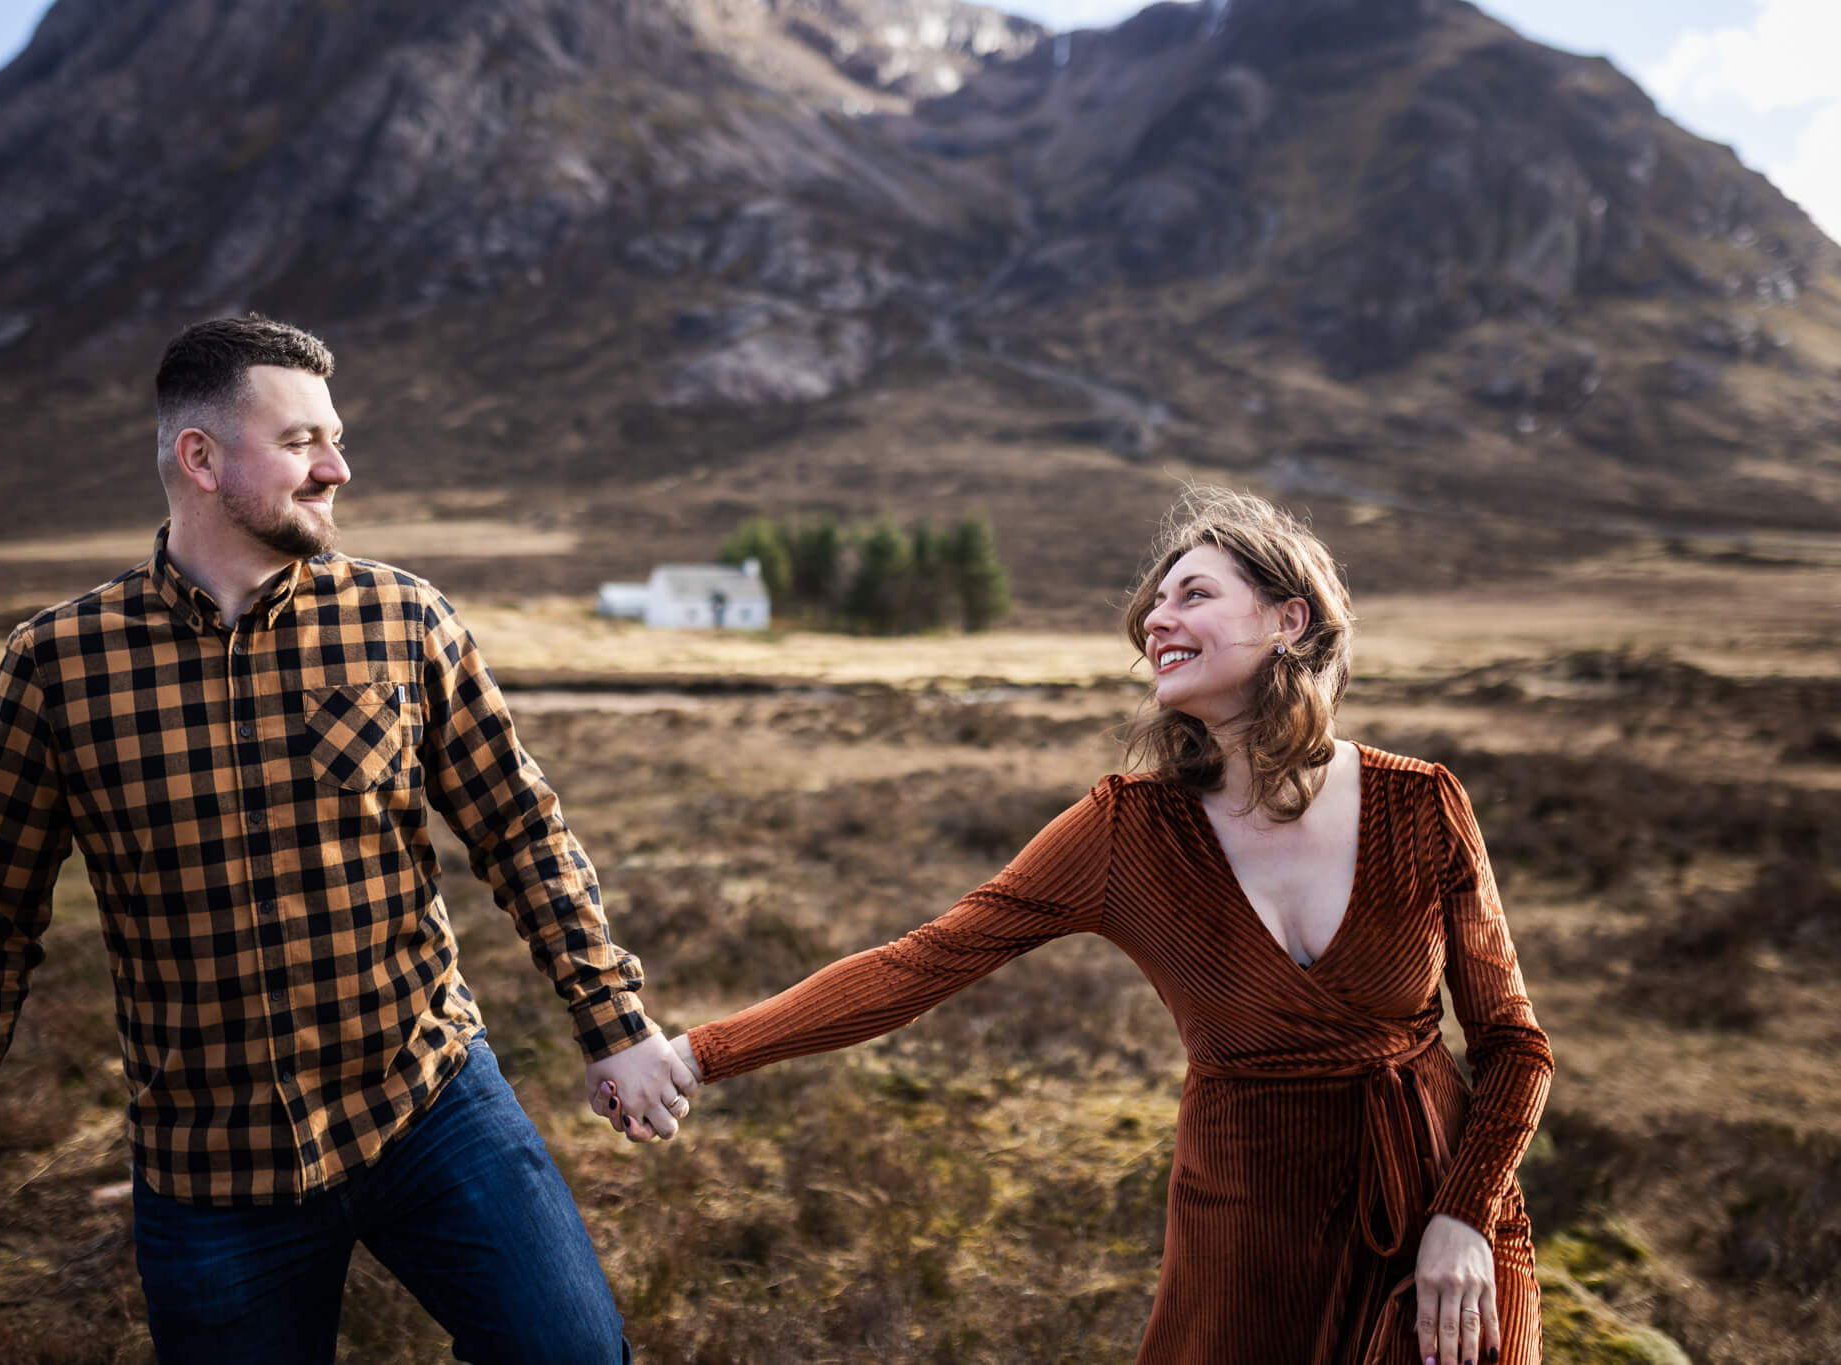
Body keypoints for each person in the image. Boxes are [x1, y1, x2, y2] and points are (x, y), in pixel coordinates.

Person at [0, 315, 698, 1364]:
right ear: (201, 459)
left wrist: (613, 1020)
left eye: (334, 436)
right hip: (209, 1170)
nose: (338, 467)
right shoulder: (59, 665)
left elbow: (521, 832)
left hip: (429, 1106)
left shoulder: (403, 621)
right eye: (300, 443)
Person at [651, 488, 1553, 1365]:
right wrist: (694, 1054)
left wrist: (1464, 1213)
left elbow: (1515, 1044)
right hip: (1245, 1251)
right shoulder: (1127, 830)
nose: (1155, 621)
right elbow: (918, 964)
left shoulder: (1421, 803)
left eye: (1193, 594)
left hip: (1443, 1247)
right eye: (1151, 607)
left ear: (1290, 618)